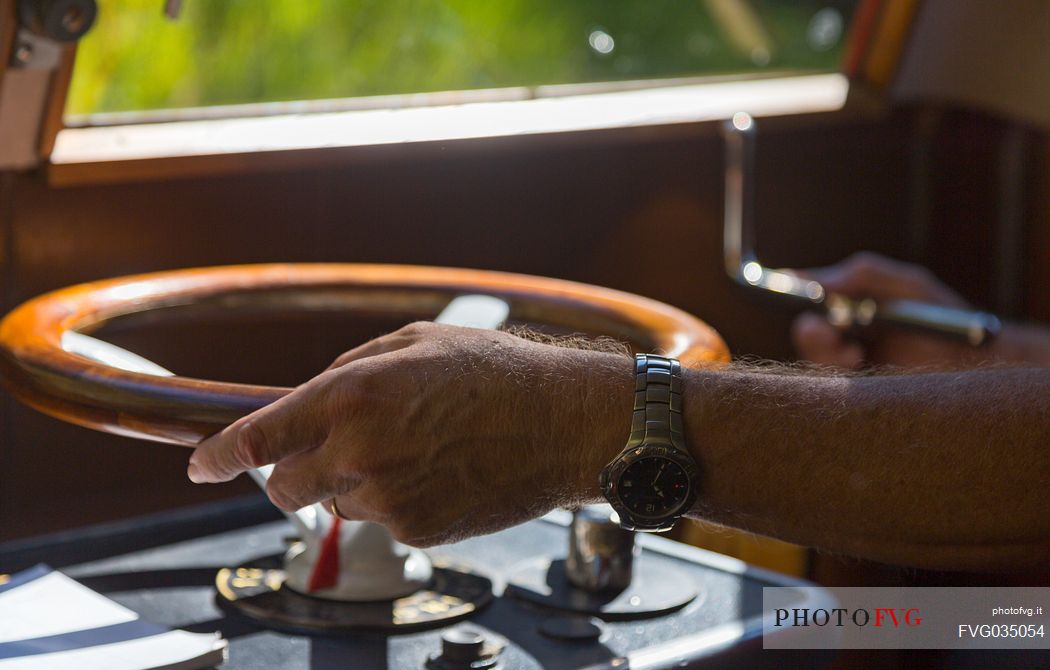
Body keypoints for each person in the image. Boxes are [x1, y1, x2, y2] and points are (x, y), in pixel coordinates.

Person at [187, 252, 1050, 572]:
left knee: (839, 635)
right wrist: (993, 359)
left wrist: (585, 419)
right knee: (821, 632)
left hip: (1019, 631)